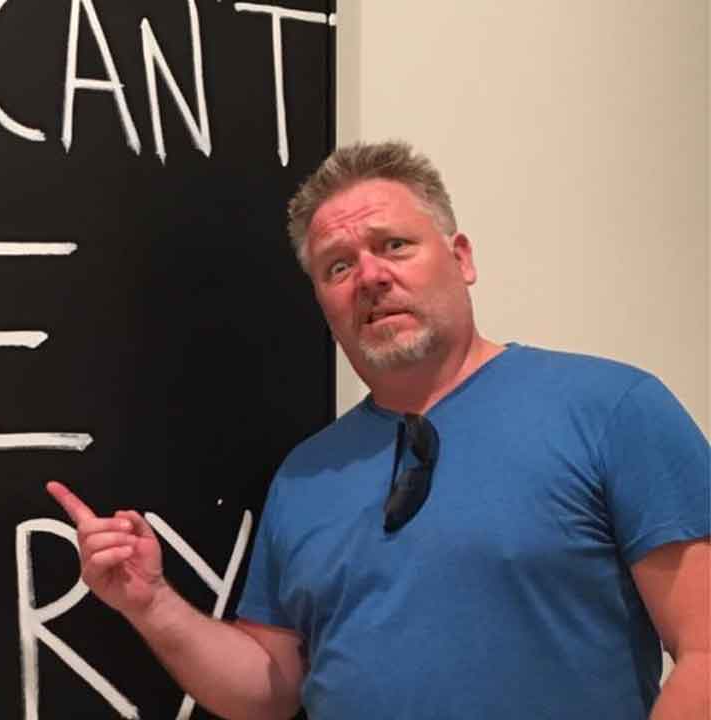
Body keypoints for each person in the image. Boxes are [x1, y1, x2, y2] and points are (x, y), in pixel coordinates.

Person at [46, 140, 710, 719]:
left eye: (394, 245)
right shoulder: (307, 475)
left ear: (461, 257)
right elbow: (270, 688)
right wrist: (151, 602)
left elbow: (705, 648)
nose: (369, 277)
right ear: (323, 302)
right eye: (338, 266)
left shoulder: (610, 409)